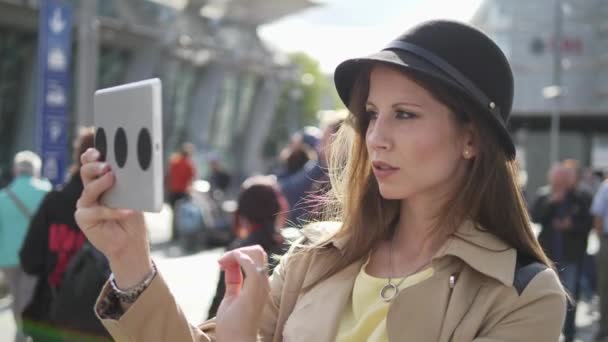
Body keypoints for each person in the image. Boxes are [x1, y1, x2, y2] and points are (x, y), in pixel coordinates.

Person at [76, 20, 566, 341]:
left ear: (472, 139)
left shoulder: (522, 294)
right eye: (371, 114)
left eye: (405, 114)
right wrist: (130, 258)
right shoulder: (317, 257)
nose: (376, 136)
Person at [20, 127, 110, 341]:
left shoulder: (54, 202)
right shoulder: (119, 211)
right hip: (101, 322)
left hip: (51, 317)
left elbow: (29, 261)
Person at [207, 175, 287, 319]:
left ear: (243, 211)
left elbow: (218, 307)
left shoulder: (238, 253)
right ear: (277, 207)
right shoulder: (293, 247)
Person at [531, 164, 592, 342]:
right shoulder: (544, 195)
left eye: (562, 182)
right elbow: (535, 216)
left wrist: (571, 225)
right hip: (547, 257)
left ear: (568, 181)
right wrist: (552, 202)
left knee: (570, 296)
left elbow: (588, 222)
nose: (558, 185)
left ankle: (569, 334)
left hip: (571, 256)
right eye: (555, 182)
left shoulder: (580, 197)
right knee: (545, 295)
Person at [0, 150, 51, 341]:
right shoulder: (46, 193)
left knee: (16, 296)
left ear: (15, 171)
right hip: (37, 256)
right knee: (29, 295)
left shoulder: (3, 197)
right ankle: (25, 332)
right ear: (36, 171)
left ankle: (21, 330)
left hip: (8, 257)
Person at [167, 142, 197, 240]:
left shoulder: (174, 161)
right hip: (183, 192)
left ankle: (174, 235)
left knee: (175, 214)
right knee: (184, 214)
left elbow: (168, 175)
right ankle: (182, 235)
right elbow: (192, 178)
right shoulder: (189, 164)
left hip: (173, 191)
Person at [592, 176, 608, 342]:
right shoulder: (606, 187)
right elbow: (598, 216)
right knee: (604, 285)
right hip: (607, 240)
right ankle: (604, 327)